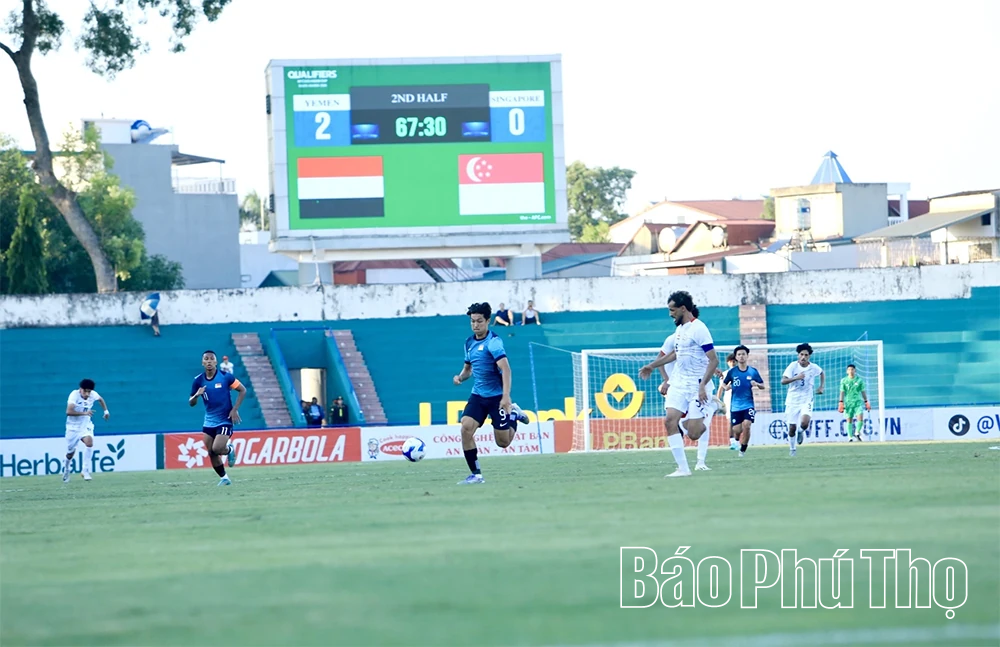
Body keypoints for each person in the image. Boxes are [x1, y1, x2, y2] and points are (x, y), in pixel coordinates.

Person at [639, 291, 720, 478]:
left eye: (672, 310)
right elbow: (675, 354)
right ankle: (683, 469)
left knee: (694, 434)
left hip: (697, 386)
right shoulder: (679, 330)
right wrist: (652, 366)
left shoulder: (699, 329)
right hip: (679, 383)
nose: (670, 314)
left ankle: (711, 407)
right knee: (669, 421)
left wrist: (702, 386)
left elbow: (713, 360)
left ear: (683, 308)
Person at [452, 302, 529, 484]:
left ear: (487, 321)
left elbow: (506, 369)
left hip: (497, 398)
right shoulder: (469, 342)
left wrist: (506, 396)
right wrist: (460, 377)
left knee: (503, 443)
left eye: (479, 321)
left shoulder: (494, 342)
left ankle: (514, 414)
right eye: (472, 321)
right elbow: (468, 369)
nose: (475, 325)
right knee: (465, 428)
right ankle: (476, 475)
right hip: (478, 395)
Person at [655, 331, 713, 471]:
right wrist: (666, 380)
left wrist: (713, 370)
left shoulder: (698, 334)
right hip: (677, 388)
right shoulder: (672, 339)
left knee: (695, 431)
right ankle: (682, 467)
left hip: (694, 388)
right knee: (673, 423)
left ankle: (700, 462)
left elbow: (706, 359)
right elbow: (660, 359)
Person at [189, 350, 246, 485]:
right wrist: (197, 395)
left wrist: (235, 409)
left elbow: (243, 390)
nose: (209, 361)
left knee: (217, 448)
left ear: (216, 362)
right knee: (211, 452)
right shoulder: (198, 380)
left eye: (211, 359)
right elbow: (191, 403)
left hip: (225, 419)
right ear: (202, 363)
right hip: (209, 421)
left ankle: (229, 449)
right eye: (206, 359)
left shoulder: (226, 377)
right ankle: (224, 478)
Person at [781, 343, 824, 457]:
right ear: (798, 355)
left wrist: (821, 387)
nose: (803, 357)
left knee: (804, 423)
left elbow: (821, 372)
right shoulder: (793, 366)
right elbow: (783, 381)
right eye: (801, 354)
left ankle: (801, 431)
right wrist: (796, 377)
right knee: (791, 428)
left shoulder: (813, 367)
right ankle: (792, 449)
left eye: (806, 355)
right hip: (792, 400)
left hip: (806, 399)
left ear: (809, 356)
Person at [721, 345, 765, 457]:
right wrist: (726, 387)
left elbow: (763, 385)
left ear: (747, 356)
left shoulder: (753, 371)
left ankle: (743, 449)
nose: (741, 356)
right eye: (739, 354)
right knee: (737, 430)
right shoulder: (732, 372)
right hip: (735, 406)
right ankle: (736, 440)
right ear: (736, 357)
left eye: (743, 354)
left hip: (748, 404)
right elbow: (724, 384)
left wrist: (757, 384)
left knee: (747, 425)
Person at [63, 379, 110, 482]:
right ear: (81, 389)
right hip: (73, 427)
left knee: (89, 442)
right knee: (70, 453)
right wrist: (85, 413)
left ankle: (85, 470)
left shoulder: (93, 394)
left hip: (85, 424)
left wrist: (106, 411)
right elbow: (68, 411)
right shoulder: (74, 395)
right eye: (85, 391)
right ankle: (66, 469)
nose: (87, 394)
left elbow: (100, 399)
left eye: (89, 391)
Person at [839, 364, 870, 442]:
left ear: (855, 371)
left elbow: (863, 392)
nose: (851, 371)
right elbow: (842, 392)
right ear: (847, 371)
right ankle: (850, 437)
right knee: (849, 420)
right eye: (849, 369)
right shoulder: (844, 380)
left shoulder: (859, 380)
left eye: (852, 369)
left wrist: (866, 401)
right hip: (848, 403)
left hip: (857, 402)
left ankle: (857, 433)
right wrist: (841, 402)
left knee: (860, 417)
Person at [716, 353, 738, 450]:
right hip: (729, 399)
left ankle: (737, 441)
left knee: (741, 422)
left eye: (734, 361)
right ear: (728, 362)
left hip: (741, 399)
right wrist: (717, 401)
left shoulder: (743, 372)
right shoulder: (724, 374)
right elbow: (720, 389)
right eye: (730, 361)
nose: (732, 363)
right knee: (731, 420)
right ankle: (733, 442)